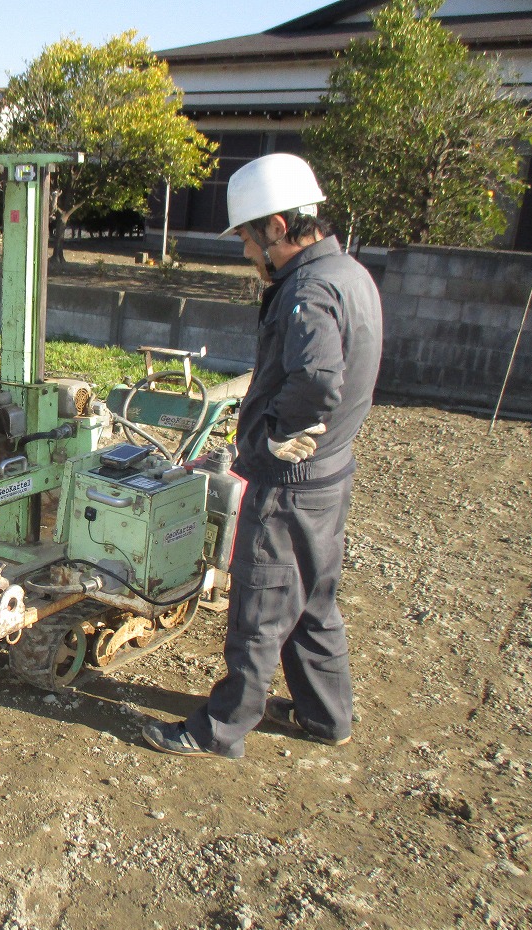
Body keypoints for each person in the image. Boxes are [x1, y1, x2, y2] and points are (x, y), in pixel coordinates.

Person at [143, 153, 382, 759]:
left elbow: (318, 380)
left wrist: (275, 439)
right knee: (312, 600)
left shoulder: (308, 289)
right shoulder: (351, 274)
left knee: (261, 607)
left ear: (278, 225)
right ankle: (326, 716)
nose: (248, 253)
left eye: (249, 238)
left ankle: (220, 729)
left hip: (291, 481)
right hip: (331, 475)